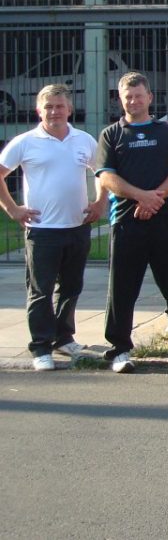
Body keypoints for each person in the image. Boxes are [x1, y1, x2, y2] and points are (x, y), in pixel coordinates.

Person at [96, 72, 168, 373]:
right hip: (126, 222)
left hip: (165, 220)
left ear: (149, 98)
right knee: (122, 287)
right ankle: (119, 348)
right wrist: (141, 197)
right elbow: (107, 177)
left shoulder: (166, 132)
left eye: (139, 95)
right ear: (121, 99)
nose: (134, 101)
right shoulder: (111, 134)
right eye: (128, 96)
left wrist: (156, 198)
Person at [0, 84, 105, 372]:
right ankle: (41, 346)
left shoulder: (84, 140)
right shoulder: (24, 142)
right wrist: (12, 208)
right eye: (48, 107)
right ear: (38, 110)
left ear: (69, 109)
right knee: (40, 290)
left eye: (60, 106)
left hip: (77, 226)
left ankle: (63, 336)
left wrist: (99, 202)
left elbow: (102, 174)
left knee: (71, 287)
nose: (54, 112)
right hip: (42, 229)